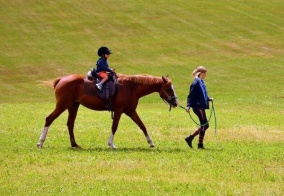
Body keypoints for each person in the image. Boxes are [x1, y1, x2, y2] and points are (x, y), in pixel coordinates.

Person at [185, 66, 213, 149]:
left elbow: (202, 94)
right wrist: (188, 105)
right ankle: (190, 138)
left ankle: (199, 144)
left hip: (201, 106)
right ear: (201, 73)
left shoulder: (201, 82)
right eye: (205, 73)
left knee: (204, 125)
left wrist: (208, 99)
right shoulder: (196, 83)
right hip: (197, 107)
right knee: (205, 125)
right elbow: (191, 96)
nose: (206, 75)